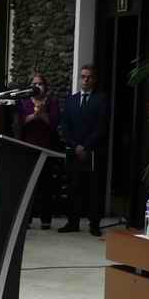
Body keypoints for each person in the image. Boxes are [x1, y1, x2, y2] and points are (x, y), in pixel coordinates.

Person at [59, 64, 108, 236]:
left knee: (93, 189)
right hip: (74, 150)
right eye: (83, 76)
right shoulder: (71, 100)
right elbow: (65, 125)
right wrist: (75, 145)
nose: (85, 80)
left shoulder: (101, 100)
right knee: (73, 187)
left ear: (94, 79)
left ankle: (94, 224)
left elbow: (101, 127)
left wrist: (86, 146)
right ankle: (72, 222)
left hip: (92, 151)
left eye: (88, 77)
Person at [15, 72, 61, 229]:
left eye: (40, 83)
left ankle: (46, 220)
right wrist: (34, 115)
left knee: (46, 185)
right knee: (28, 185)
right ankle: (26, 219)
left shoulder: (52, 102)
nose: (37, 86)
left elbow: (54, 124)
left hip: (46, 148)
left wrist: (42, 115)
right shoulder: (24, 102)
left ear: (45, 86)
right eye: (34, 84)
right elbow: (20, 123)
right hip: (28, 148)